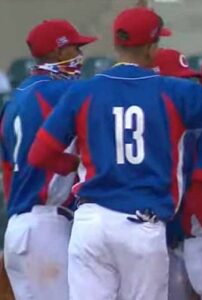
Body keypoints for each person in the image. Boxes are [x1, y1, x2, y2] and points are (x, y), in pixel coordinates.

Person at [28, 5, 202, 300]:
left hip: (90, 223)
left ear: (116, 43)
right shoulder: (172, 91)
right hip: (140, 226)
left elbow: (39, 156)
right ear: (152, 48)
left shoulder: (83, 92)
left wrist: (77, 163)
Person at [0, 19, 96, 300]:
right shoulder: (59, 91)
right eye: (76, 47)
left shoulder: (14, 99)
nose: (81, 54)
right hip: (45, 226)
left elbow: (7, 171)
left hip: (18, 227)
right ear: (59, 52)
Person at [151, 47, 201, 300]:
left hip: (180, 245)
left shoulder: (190, 134)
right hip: (147, 245)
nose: (186, 91)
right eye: (178, 82)